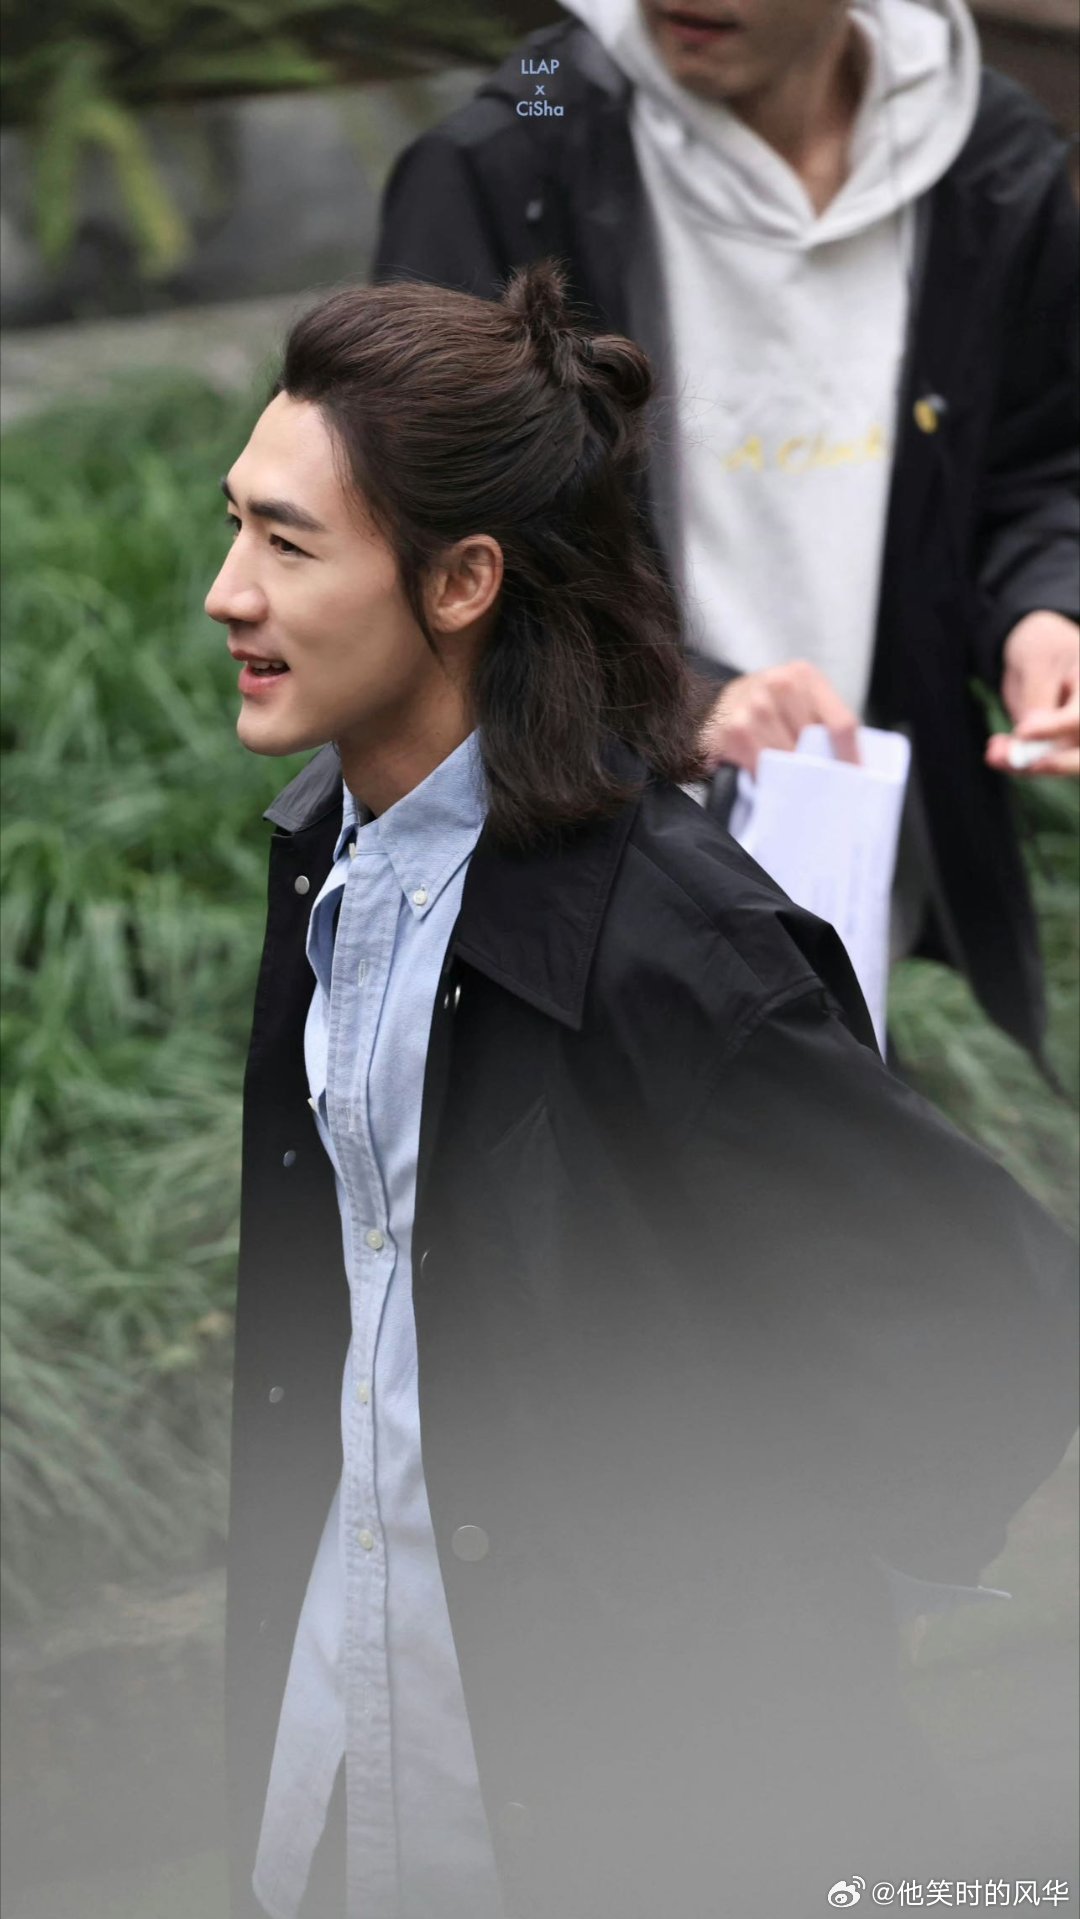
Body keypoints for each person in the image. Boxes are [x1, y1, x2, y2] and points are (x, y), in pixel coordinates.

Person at [211, 268, 1077, 1919]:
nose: (224, 590)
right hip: (344, 1770)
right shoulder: (327, 847)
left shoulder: (678, 947)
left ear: (462, 579)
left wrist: (742, 1601)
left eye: (288, 543)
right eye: (236, 524)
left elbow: (995, 1316)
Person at [373, 0, 1080, 1066]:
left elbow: (1036, 458)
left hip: (850, 868)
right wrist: (677, 700)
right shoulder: (522, 137)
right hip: (575, 888)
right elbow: (429, 532)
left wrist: (1044, 607)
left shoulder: (983, 148)